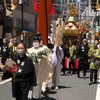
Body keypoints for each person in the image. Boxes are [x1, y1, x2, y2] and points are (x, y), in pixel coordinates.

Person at [27, 34, 52, 99]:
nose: (35, 43)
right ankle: (30, 96)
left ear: (39, 42)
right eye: (34, 41)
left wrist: (43, 57)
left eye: (37, 41)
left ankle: (37, 96)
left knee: (39, 82)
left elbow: (49, 57)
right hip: (32, 69)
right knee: (31, 82)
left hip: (40, 68)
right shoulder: (30, 50)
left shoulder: (44, 49)